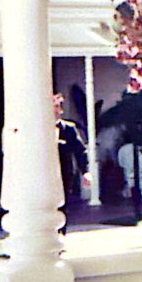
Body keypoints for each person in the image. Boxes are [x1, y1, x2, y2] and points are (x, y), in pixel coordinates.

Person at [54, 92, 89, 231]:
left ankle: (61, 232)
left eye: (57, 107)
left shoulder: (68, 128)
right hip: (43, 175)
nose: (54, 110)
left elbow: (80, 151)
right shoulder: (38, 130)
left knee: (62, 204)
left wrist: (85, 172)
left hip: (64, 173)